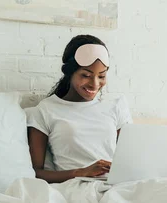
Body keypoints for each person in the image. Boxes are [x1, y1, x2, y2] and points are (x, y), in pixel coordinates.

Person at [26, 35, 133, 183]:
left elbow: (132, 160)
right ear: (70, 73)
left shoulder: (115, 107)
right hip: (77, 187)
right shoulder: (45, 111)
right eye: (86, 75)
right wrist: (81, 172)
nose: (95, 84)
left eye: (101, 76)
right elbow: (35, 173)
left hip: (116, 185)